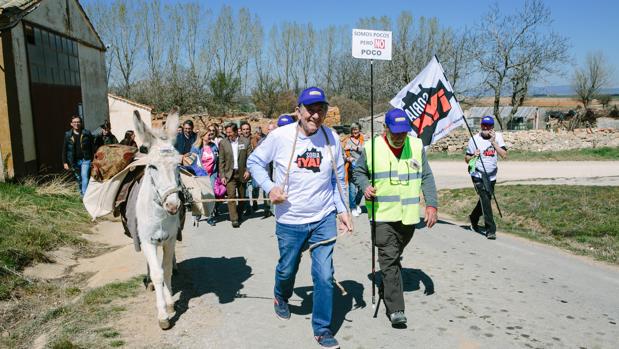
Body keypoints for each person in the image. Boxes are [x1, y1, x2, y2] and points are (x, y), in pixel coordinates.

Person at [247, 87, 353, 349]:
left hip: (323, 217)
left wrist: (343, 210)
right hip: (290, 219)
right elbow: (254, 162)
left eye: (321, 110)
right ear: (298, 111)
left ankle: (322, 328)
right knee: (287, 269)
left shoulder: (332, 139)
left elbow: (338, 179)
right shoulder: (280, 137)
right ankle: (280, 295)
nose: (315, 115)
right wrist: (270, 187)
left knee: (325, 275)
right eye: (310, 109)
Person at [352, 108, 438, 326]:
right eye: (396, 132)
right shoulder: (371, 148)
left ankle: (387, 284)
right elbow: (358, 171)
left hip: (409, 218)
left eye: (404, 132)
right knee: (389, 259)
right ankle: (396, 309)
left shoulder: (416, 146)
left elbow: (426, 176)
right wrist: (365, 186)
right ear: (385, 128)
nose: (400, 136)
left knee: (394, 257)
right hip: (382, 215)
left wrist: (432, 205)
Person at [464, 116, 507, 240]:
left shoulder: (498, 137)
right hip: (477, 174)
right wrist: (473, 156)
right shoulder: (474, 139)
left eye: (488, 126)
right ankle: (490, 229)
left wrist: (494, 143)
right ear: (481, 125)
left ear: (492, 127)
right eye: (484, 125)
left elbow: (504, 155)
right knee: (485, 198)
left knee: (485, 199)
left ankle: (473, 217)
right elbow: (466, 159)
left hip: (492, 175)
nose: (486, 128)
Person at [218, 123, 252, 228]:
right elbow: (221, 161)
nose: (228, 134)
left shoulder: (245, 142)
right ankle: (234, 219)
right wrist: (222, 175)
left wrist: (248, 170)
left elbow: (250, 158)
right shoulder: (223, 143)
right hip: (229, 174)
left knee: (242, 197)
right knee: (231, 196)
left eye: (230, 132)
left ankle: (239, 213)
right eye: (227, 132)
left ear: (236, 132)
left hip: (242, 173)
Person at [190, 127, 220, 226]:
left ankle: (210, 216)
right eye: (209, 134)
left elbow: (217, 160)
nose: (211, 136)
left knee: (211, 195)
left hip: (212, 174)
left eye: (211, 134)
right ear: (202, 136)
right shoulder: (195, 147)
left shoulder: (214, 146)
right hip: (200, 175)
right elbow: (192, 163)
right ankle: (198, 214)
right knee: (200, 195)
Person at [62, 115, 94, 196]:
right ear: (71, 124)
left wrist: (93, 159)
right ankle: (81, 193)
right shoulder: (68, 135)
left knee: (84, 177)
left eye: (78, 122)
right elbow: (64, 149)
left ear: (81, 123)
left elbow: (92, 147)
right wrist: (65, 162)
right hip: (74, 161)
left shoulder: (87, 133)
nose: (76, 124)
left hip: (85, 159)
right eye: (74, 122)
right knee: (79, 178)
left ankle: (84, 196)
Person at [342, 122, 365, 217]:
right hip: (352, 166)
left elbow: (364, 150)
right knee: (352, 189)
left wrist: (353, 147)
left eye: (356, 129)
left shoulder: (363, 139)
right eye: (353, 129)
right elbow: (343, 154)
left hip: (362, 166)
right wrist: (348, 158)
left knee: (362, 188)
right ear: (351, 131)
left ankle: (357, 203)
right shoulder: (347, 140)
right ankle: (353, 207)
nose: (355, 131)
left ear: (359, 129)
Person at [240, 121, 259, 214]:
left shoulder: (254, 139)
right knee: (247, 187)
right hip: (244, 167)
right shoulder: (239, 140)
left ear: (250, 130)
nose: (246, 131)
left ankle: (255, 200)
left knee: (255, 186)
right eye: (244, 129)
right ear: (241, 130)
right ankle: (248, 207)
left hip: (255, 166)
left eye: (247, 129)